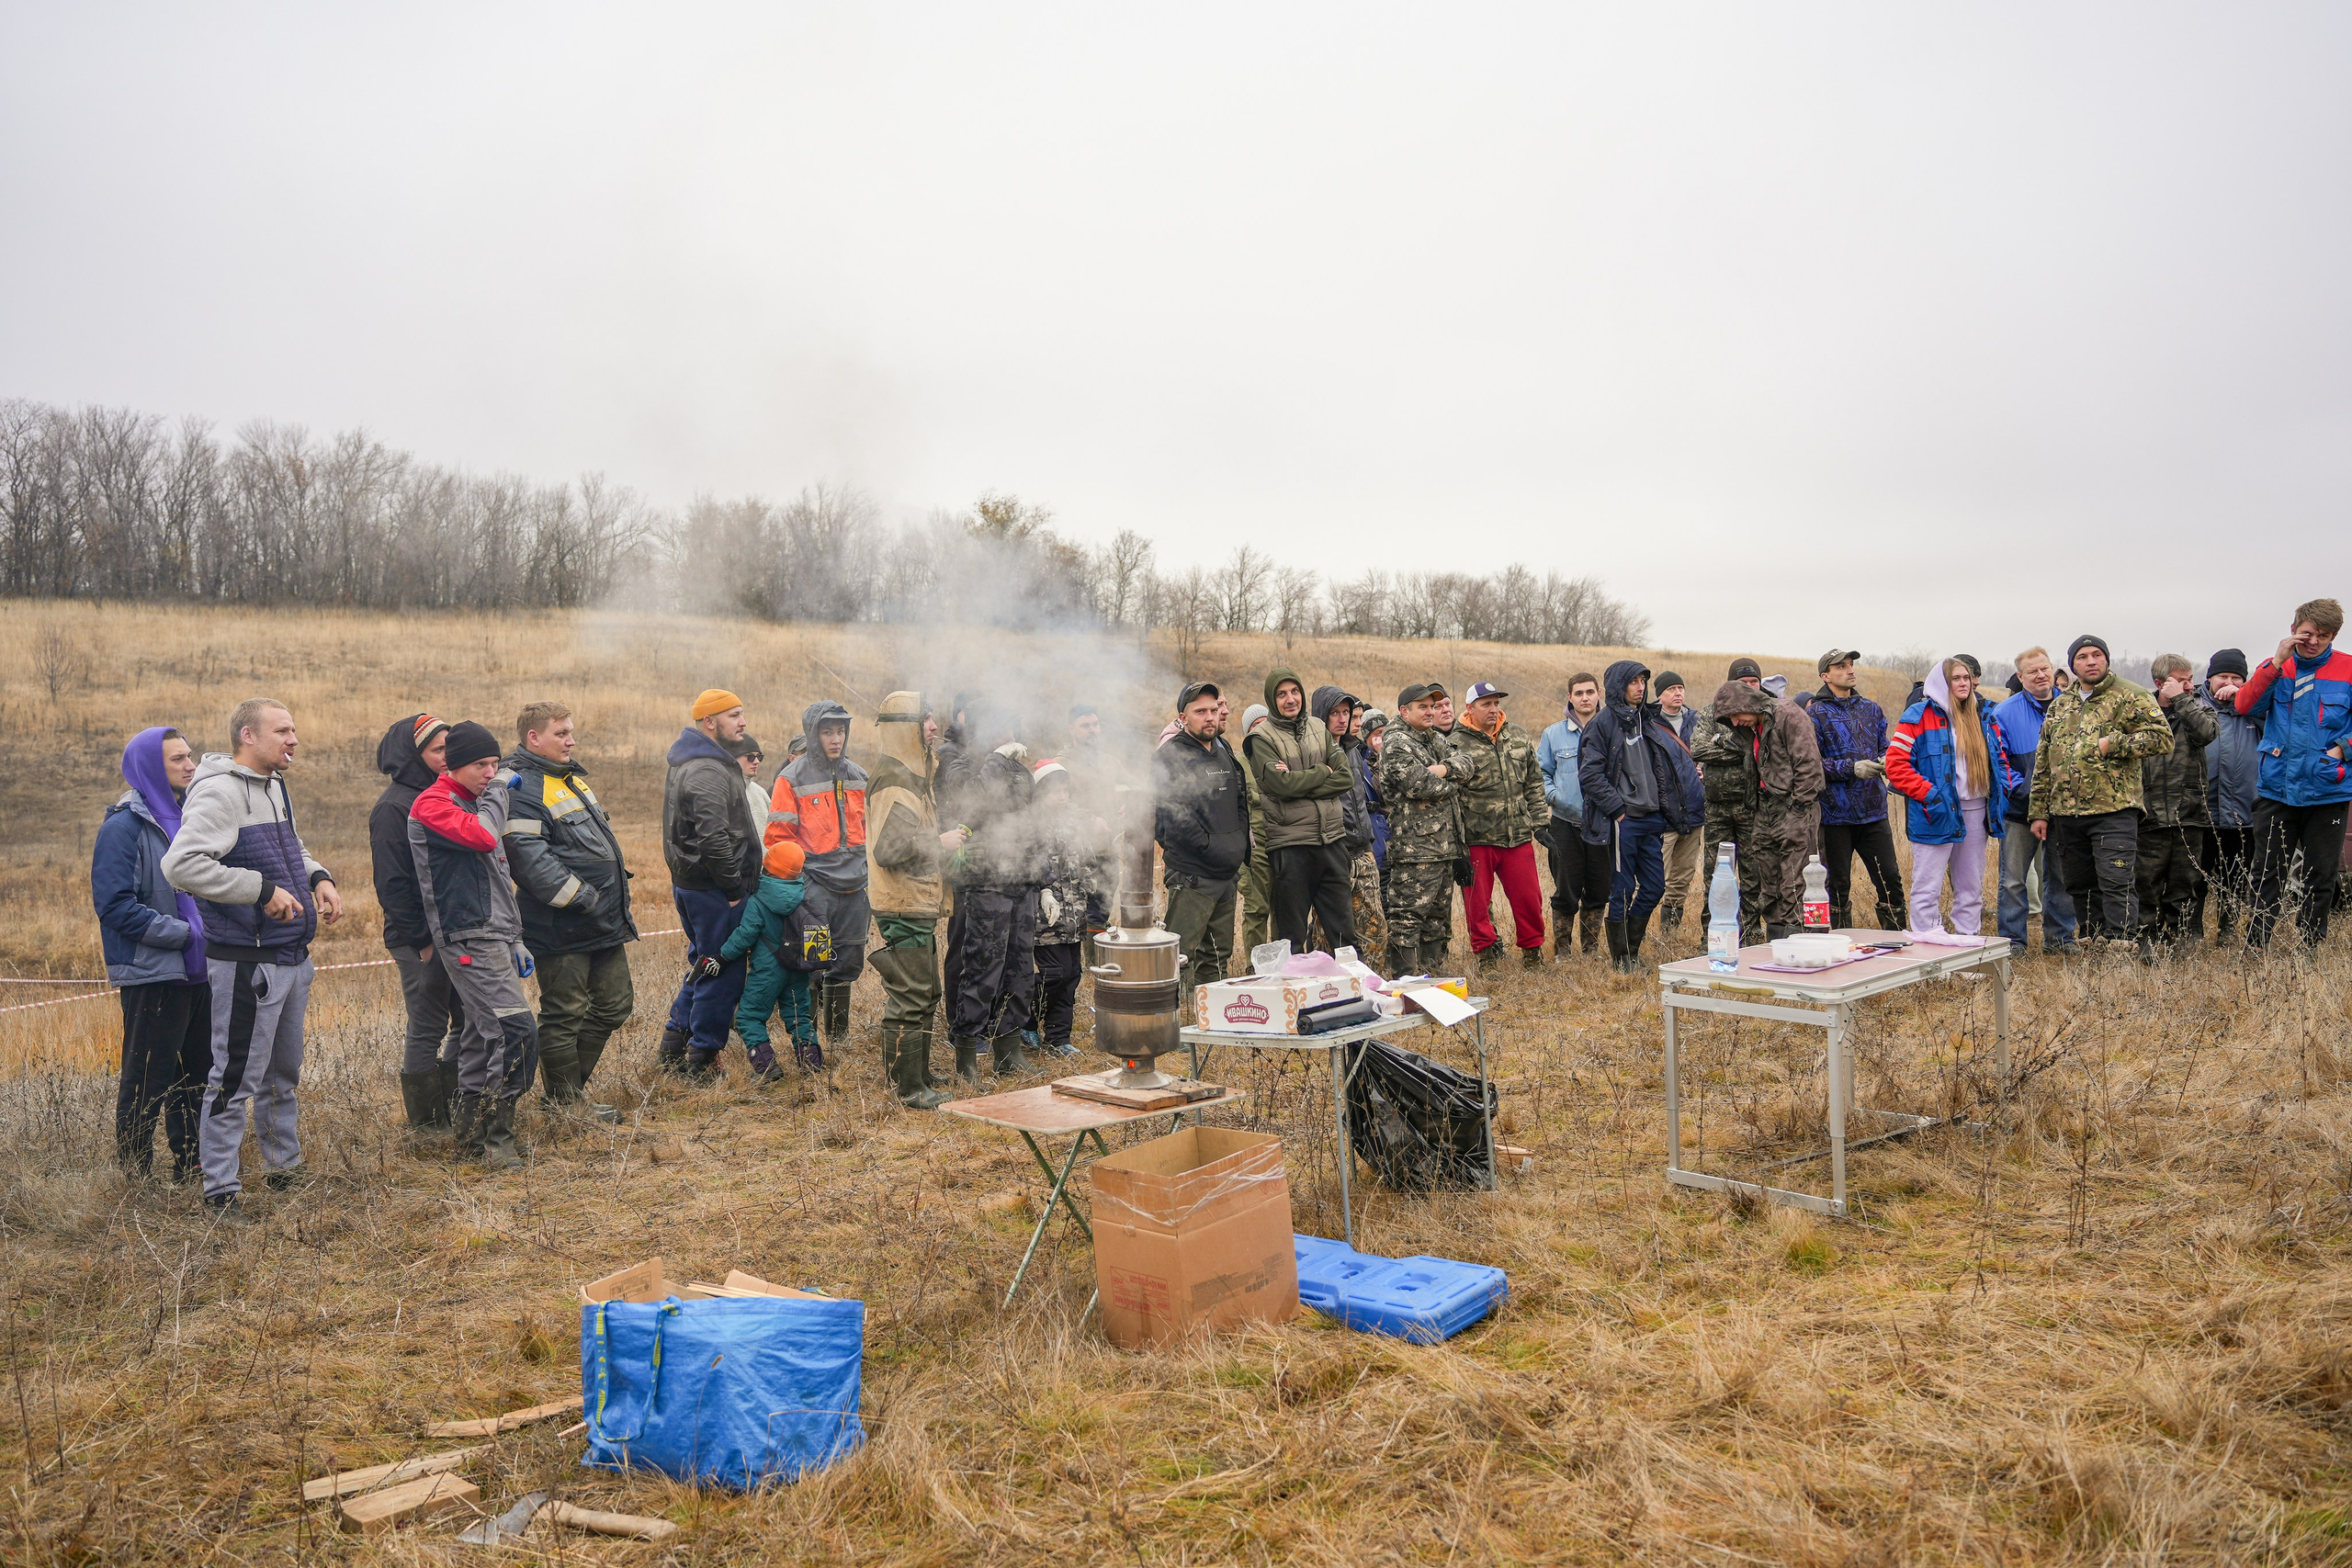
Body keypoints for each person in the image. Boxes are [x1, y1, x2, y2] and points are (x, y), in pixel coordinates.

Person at [164, 698, 340, 1217]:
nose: (294, 740)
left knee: (283, 1072)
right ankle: (221, 1190)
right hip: (247, 963)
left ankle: (284, 1168)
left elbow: (290, 849)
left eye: (294, 730)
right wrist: (259, 891)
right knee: (234, 1076)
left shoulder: (274, 787)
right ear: (248, 736)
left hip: (291, 957)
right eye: (282, 731)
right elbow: (181, 865)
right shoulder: (218, 792)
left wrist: (317, 877)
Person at [408, 720, 541, 1164]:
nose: (490, 772)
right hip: (466, 934)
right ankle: (496, 1137)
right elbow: (483, 838)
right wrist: (500, 790)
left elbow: (499, 878)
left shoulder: (476, 801)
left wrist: (515, 937)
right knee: (514, 1030)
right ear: (453, 764)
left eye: (496, 764)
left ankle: (471, 1138)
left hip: (492, 934)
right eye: (480, 765)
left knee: (482, 1037)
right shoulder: (434, 803)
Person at [501, 701, 636, 1115]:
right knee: (564, 1013)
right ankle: (565, 1104)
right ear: (533, 737)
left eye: (571, 732)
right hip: (561, 925)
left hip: (602, 922)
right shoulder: (522, 786)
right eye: (561, 733)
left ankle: (568, 1096)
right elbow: (527, 858)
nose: (571, 740)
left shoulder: (570, 779)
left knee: (615, 1005)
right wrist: (582, 898)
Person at [94, 728, 209, 1182]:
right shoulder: (123, 828)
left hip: (203, 974)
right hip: (156, 974)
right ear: (148, 769)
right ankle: (134, 1179)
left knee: (198, 1077)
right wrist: (184, 936)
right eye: (177, 759)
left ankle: (193, 1165)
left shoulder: (192, 817)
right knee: (146, 1081)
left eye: (190, 756)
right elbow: (114, 906)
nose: (190, 766)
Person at [2027, 636, 2173, 949]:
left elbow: (2163, 738)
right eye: (2082, 657)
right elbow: (2044, 760)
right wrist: (2039, 811)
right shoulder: (2061, 704)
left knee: (2116, 882)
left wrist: (2115, 743)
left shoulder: (2129, 695)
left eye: (2096, 655)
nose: (2090, 661)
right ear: (2072, 665)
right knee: (2079, 885)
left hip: (2114, 810)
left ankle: (2121, 945)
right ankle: (2094, 942)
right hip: (2067, 813)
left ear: (2106, 660)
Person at [2234, 598, 2352, 949]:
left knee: (2321, 873)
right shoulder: (2274, 667)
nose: (2314, 641)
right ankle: (2256, 945)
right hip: (2277, 788)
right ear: (2293, 630)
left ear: (2334, 636)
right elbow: (2244, 706)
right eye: (2307, 633)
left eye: (2324, 635)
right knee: (2266, 871)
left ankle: (2309, 947)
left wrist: (2341, 750)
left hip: (2328, 789)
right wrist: (2276, 663)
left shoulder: (2348, 669)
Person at [1577, 663, 1703, 970]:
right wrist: (1617, 810)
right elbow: (1590, 774)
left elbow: (1669, 767)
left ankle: (1632, 950)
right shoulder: (1602, 724)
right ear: (1619, 685)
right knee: (1621, 889)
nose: (1640, 687)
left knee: (1655, 886)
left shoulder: (1650, 721)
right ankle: (1623, 960)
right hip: (1623, 821)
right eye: (1633, 682)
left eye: (1643, 682)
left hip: (1652, 818)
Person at [661, 690, 762, 1077]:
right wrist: (734, 890)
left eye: (742, 713)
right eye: (734, 715)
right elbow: (713, 837)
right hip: (714, 890)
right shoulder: (706, 769)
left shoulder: (701, 761)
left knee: (706, 962)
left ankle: (674, 1042)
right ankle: (701, 1059)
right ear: (709, 722)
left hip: (699, 885)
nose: (742, 722)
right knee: (724, 968)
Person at [371, 714, 463, 1134]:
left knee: (469, 1019)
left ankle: (457, 1105)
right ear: (413, 755)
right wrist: (422, 942)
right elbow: (392, 886)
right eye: (437, 749)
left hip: (456, 933)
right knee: (427, 1026)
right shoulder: (393, 807)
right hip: (420, 942)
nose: (447, 756)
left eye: (449, 746)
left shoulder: (446, 796)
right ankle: (427, 1127)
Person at [864, 691, 955, 1110]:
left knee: (926, 991)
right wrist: (940, 842)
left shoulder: (912, 774)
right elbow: (890, 850)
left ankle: (917, 1074)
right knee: (911, 995)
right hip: (901, 904)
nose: (934, 727)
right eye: (926, 720)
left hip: (914, 901)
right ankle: (907, 1088)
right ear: (906, 728)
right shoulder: (896, 780)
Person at [767, 702, 872, 1057]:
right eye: (828, 731)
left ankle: (839, 1042)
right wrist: (794, 885)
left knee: (848, 963)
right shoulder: (791, 778)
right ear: (813, 734)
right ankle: (808, 1044)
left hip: (856, 886)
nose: (835, 738)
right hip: (814, 886)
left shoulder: (859, 775)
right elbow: (778, 838)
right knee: (812, 963)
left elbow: (870, 831)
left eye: (841, 731)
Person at [945, 701, 1040, 1081]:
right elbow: (971, 801)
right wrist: (998, 760)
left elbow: (1032, 823)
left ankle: (1008, 1049)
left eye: (1012, 730)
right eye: (1002, 731)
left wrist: (1040, 876)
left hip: (1022, 880)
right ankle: (967, 1055)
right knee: (983, 966)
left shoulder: (1021, 772)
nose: (1010, 739)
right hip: (987, 881)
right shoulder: (964, 765)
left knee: (1019, 969)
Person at [1694, 676, 1823, 942]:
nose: (1735, 723)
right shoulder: (1752, 728)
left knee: (1794, 878)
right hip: (1764, 809)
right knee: (1769, 880)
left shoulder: (1788, 715)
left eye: (1735, 716)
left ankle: (1799, 941)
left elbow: (1809, 764)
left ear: (1747, 702)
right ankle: (1776, 941)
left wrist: (1798, 805)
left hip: (1794, 807)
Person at [1885, 657, 2007, 934]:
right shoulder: (1918, 716)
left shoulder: (1985, 715)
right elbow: (1896, 765)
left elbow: (2000, 760)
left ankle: (1966, 950)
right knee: (1927, 887)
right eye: (1956, 678)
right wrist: (1931, 795)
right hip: (1935, 812)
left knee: (1971, 887)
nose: (1964, 683)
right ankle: (1928, 951)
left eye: (1967, 678)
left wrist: (2004, 792)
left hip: (1976, 812)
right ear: (1942, 682)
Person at [1248, 669, 1356, 955]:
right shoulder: (1260, 738)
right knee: (1292, 937)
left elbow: (1345, 778)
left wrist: (1299, 783)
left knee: (1345, 934)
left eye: (1294, 692)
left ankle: (1355, 993)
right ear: (1272, 699)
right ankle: (1291, 996)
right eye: (1281, 694)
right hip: (1291, 846)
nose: (1290, 699)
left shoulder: (1319, 728)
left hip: (1332, 841)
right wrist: (1322, 771)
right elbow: (1280, 786)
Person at [1154, 682, 1250, 1002]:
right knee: (1180, 954)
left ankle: (1213, 1015)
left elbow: (1240, 801)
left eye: (1213, 710)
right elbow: (1172, 819)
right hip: (1193, 874)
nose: (1210, 717)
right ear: (1183, 717)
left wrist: (1237, 847)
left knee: (1218, 953)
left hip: (1226, 872)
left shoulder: (1222, 748)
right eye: (1200, 712)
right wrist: (1210, 848)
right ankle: (1173, 1022)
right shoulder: (1171, 756)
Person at [1379, 682, 1478, 975]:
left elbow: (1467, 765)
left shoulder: (1432, 737)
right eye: (1422, 706)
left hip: (1443, 846)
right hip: (1414, 851)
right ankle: (1405, 982)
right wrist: (1451, 782)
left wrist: (1444, 770)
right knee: (1408, 920)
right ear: (1404, 711)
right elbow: (1418, 784)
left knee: (1437, 921)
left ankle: (1431, 979)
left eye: (1433, 706)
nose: (1430, 711)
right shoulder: (1397, 741)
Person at [1451, 681, 1548, 970]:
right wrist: (1457, 844)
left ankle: (1533, 953)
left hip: (1517, 836)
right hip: (1477, 838)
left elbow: (1534, 781)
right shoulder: (1454, 743)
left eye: (1496, 703)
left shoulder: (1517, 736)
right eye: (1486, 704)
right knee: (1477, 904)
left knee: (1529, 899)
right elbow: (1452, 796)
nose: (1493, 709)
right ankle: (1487, 957)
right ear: (1470, 708)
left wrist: (1540, 822)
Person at [1809, 649, 1905, 931]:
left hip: (1874, 811)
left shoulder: (1871, 709)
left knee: (1890, 880)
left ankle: (1898, 942)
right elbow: (1812, 764)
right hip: (1834, 816)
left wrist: (1888, 759)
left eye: (1851, 665)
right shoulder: (1814, 714)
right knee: (1837, 886)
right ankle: (1838, 945)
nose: (1850, 670)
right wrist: (1851, 768)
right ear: (1825, 676)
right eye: (1841, 666)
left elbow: (1883, 745)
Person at [1991, 649, 2080, 953]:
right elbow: (2000, 764)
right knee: (2013, 881)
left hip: (2065, 810)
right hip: (2020, 812)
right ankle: (2013, 943)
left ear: (2053, 669)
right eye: (2033, 671)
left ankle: (2060, 940)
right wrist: (2029, 793)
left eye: (2045, 669)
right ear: (2020, 677)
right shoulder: (2003, 713)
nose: (2041, 675)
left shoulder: (2074, 706)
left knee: (2061, 877)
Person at [706, 840, 813, 1082]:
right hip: (798, 968)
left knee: (749, 1017)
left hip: (767, 971)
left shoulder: (758, 898)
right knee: (799, 1017)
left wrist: (722, 957)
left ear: (768, 865)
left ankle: (767, 1068)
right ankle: (812, 1067)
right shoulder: (802, 893)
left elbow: (745, 934)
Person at [2133, 656, 2221, 950]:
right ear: (2160, 683)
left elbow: (2205, 734)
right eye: (2180, 680)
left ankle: (2179, 939)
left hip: (2189, 812)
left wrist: (2182, 700)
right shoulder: (2140, 712)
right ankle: (2146, 939)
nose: (2189, 685)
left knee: (2185, 883)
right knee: (2147, 882)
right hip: (2150, 813)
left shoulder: (2199, 708)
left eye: (2190, 679)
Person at [1028, 760, 1104, 1058]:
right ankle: (1026, 1021)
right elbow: (1032, 870)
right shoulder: (1031, 825)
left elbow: (1088, 862)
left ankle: (1059, 1038)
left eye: (1065, 791)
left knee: (1072, 975)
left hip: (1075, 916)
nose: (1062, 797)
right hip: (1045, 918)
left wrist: (1096, 885)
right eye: (1055, 792)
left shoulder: (1073, 821)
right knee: (1053, 974)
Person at [1537, 674, 1612, 957]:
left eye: (1590, 692)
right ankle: (1562, 951)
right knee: (1566, 889)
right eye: (1578, 693)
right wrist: (1557, 797)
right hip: (1565, 824)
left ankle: (1590, 950)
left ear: (1598, 694)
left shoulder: (1611, 731)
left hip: (1602, 824)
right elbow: (1541, 773)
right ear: (1570, 697)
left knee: (1599, 887)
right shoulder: (1553, 734)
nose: (1585, 697)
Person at [2198, 649, 2261, 942]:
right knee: (2196, 875)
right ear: (2210, 678)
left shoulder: (2256, 710)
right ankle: (2192, 927)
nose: (2229, 682)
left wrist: (2249, 698)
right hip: (2200, 810)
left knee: (2236, 876)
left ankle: (2227, 929)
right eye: (2223, 676)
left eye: (2236, 677)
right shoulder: (2194, 706)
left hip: (2242, 809)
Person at [1652, 672, 1705, 930]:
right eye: (1671, 689)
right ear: (1659, 695)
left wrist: (1706, 769)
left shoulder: (1698, 721)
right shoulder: (1649, 724)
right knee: (1654, 877)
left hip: (1695, 811)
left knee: (1683, 875)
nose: (1677, 693)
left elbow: (1710, 752)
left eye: (1680, 687)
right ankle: (1637, 931)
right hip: (1663, 815)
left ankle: (1669, 930)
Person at [1236, 702, 1275, 956]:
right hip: (1255, 849)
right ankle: (1256, 967)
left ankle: (1288, 965)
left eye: (1266, 725)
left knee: (1285, 910)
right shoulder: (1238, 764)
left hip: (1284, 844)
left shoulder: (1283, 757)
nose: (1262, 732)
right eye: (1256, 727)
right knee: (1257, 908)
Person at [733, 737, 769, 826]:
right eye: (751, 757)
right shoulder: (723, 791)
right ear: (733, 758)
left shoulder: (760, 792)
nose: (757, 762)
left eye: (759, 757)